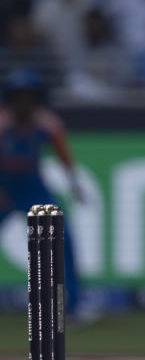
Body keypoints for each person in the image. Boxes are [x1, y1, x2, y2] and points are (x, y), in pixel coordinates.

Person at [0, 69, 85, 315]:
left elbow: (64, 156)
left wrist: (75, 185)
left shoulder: (47, 123)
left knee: (62, 238)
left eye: (29, 97)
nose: (24, 104)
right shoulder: (3, 123)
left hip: (32, 188)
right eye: (18, 97)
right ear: (10, 99)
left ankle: (74, 306)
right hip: (3, 188)